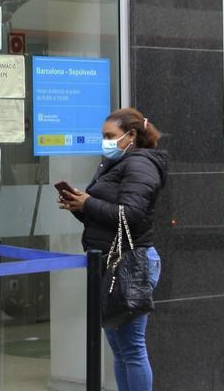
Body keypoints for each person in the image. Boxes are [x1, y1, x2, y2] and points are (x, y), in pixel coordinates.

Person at [60, 107, 168, 391]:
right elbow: (105, 217)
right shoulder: (114, 164)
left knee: (131, 348)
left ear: (131, 136)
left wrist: (88, 204)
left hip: (131, 261)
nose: (105, 141)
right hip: (110, 262)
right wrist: (79, 206)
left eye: (110, 136)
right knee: (120, 350)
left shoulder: (141, 164)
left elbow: (130, 215)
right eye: (103, 136)